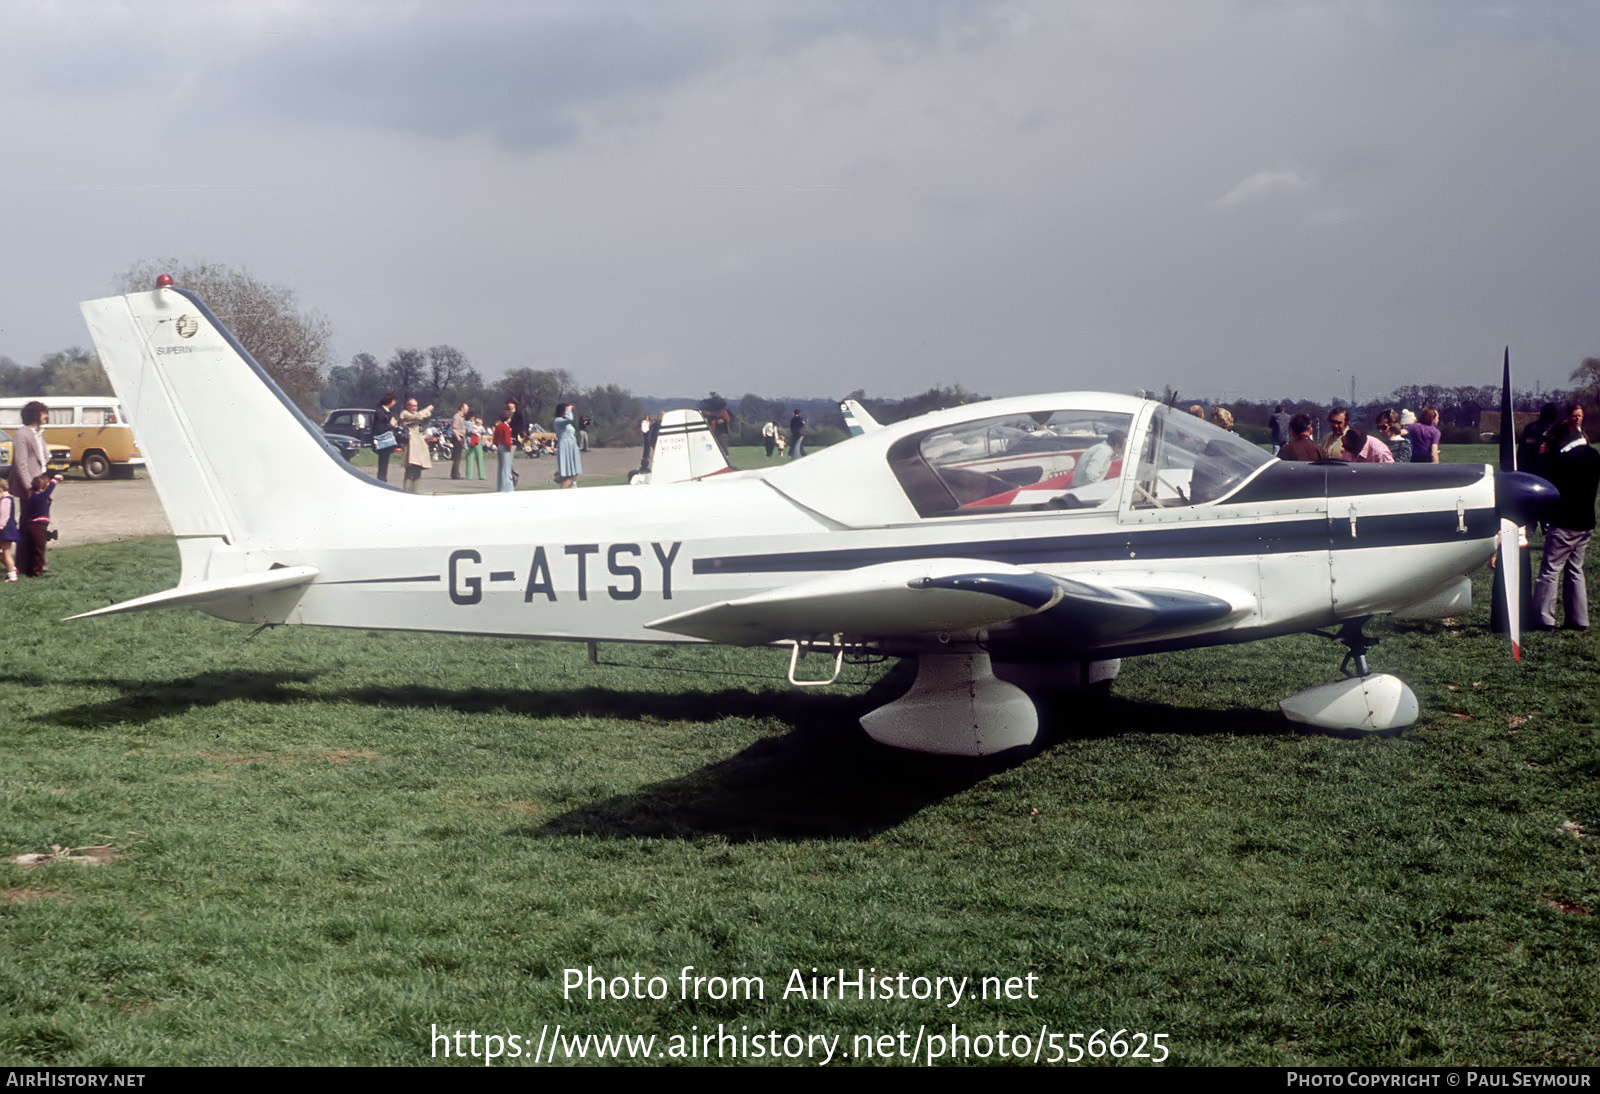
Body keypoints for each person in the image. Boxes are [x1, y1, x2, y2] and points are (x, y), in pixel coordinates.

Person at [1532, 414, 1599, 631]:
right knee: (1575, 570)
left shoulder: (1560, 461)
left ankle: (1544, 618)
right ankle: (1579, 619)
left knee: (1551, 570)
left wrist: (1543, 457)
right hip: (1586, 522)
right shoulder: (1593, 455)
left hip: (1564, 523)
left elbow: (1544, 482)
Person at [8, 400, 48, 573]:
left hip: (41, 487)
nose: (46, 416)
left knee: (39, 525)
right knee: (28, 526)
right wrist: (29, 490)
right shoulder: (21, 435)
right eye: (43, 413)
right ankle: (25, 563)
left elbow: (43, 461)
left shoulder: (38, 434)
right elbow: (21, 465)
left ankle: (36, 562)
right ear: (35, 414)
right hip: (31, 490)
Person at [25, 473, 62, 577]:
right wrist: (56, 478)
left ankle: (50, 535)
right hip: (38, 526)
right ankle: (36, 572)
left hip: (34, 525)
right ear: (42, 487)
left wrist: (49, 500)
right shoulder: (40, 496)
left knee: (36, 548)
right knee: (39, 550)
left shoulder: (33, 496)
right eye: (46, 485)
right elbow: (51, 488)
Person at [399, 397, 434, 492]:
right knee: (410, 469)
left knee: (418, 469)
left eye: (415, 406)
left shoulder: (416, 414)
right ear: (407, 406)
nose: (414, 408)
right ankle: (407, 490)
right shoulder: (404, 414)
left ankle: (415, 490)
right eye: (412, 405)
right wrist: (427, 410)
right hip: (411, 444)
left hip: (419, 443)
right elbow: (417, 417)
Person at [553, 402, 582, 488]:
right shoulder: (558, 421)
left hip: (572, 447)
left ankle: (570, 488)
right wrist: (569, 409)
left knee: (573, 474)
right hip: (565, 448)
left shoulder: (565, 423)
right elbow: (570, 419)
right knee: (571, 475)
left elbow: (570, 421)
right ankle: (562, 493)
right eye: (566, 410)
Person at [372, 394, 399, 483]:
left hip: (387, 441)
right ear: (390, 401)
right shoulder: (380, 412)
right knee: (383, 463)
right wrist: (390, 425)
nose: (395, 403)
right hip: (382, 441)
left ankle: (383, 479)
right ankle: (381, 480)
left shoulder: (388, 412)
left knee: (385, 462)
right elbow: (379, 428)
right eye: (394, 401)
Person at [0, 481, 19, 583]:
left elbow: (4, 516)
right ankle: (12, 568)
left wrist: (0, 526)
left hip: (5, 530)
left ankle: (13, 577)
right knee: (3, 553)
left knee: (6, 553)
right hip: (5, 529)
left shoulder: (6, 500)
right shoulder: (5, 499)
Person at [493, 411, 515, 492]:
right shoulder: (507, 427)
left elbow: (494, 438)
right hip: (505, 448)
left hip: (499, 446)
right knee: (506, 468)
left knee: (501, 467)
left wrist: (496, 444)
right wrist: (509, 447)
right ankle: (508, 488)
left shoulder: (498, 426)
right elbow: (507, 439)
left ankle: (500, 487)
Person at [450, 403, 468, 480]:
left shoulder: (462, 417)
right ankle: (455, 475)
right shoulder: (457, 417)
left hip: (461, 437)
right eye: (466, 408)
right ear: (461, 408)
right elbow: (454, 429)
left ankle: (455, 473)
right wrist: (459, 439)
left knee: (458, 457)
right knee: (457, 457)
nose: (467, 410)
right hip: (457, 437)